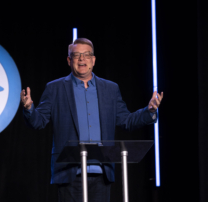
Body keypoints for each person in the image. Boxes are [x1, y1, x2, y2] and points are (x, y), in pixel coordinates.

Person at [21, 38, 163, 202]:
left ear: (93, 60)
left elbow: (127, 120)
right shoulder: (55, 88)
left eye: (87, 55)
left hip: (101, 172)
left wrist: (150, 110)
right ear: (69, 60)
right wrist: (29, 109)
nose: (82, 59)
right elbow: (39, 121)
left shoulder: (110, 89)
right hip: (69, 172)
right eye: (77, 55)